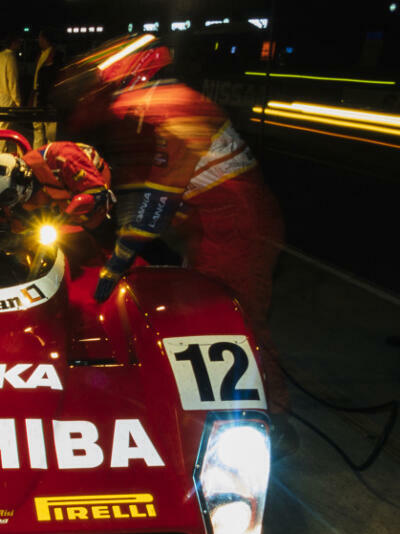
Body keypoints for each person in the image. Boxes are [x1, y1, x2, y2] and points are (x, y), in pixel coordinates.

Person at [56, 33, 294, 454]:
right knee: (204, 319)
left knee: (239, 325)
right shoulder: (157, 105)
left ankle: (273, 422)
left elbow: (156, 198)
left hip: (238, 229)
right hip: (213, 225)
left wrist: (119, 258)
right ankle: (205, 404)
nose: (110, 105)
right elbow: (145, 189)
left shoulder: (170, 109)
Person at [0, 141, 113, 228]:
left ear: (22, 176)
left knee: (88, 225)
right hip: (60, 194)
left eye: (9, 197)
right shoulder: (18, 182)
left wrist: (67, 214)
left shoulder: (63, 158)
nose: (10, 203)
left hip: (93, 185)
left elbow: (98, 193)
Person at [30, 29, 62, 149]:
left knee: (50, 132)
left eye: (40, 38)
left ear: (46, 39)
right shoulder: (41, 55)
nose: (39, 40)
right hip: (38, 96)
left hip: (48, 98)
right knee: (37, 128)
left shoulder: (55, 55)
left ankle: (49, 157)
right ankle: (37, 155)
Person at [0, 34, 22, 153]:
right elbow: (12, 80)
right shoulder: (11, 57)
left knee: (1, 125)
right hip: (6, 95)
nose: (19, 45)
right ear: (13, 43)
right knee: (4, 128)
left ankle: (2, 152)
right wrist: (17, 100)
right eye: (18, 43)